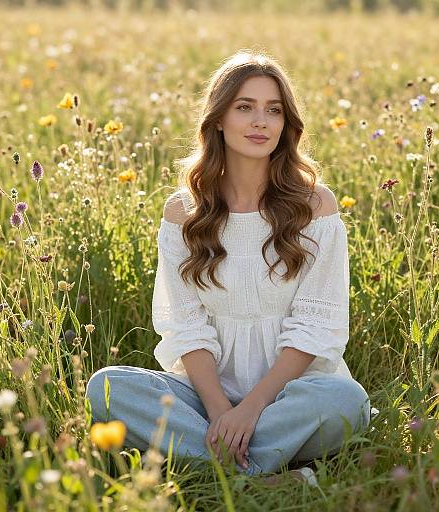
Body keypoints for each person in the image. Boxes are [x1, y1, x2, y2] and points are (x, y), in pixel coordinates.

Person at [85, 50, 371, 486]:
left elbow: (317, 323)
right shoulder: (183, 212)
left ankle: (212, 466)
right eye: (244, 107)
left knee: (347, 401)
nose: (261, 122)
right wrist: (221, 412)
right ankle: (260, 475)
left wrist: (252, 409)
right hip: (204, 397)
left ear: (285, 124)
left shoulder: (315, 206)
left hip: (290, 395)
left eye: (273, 110)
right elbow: (185, 325)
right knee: (106, 387)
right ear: (218, 119)